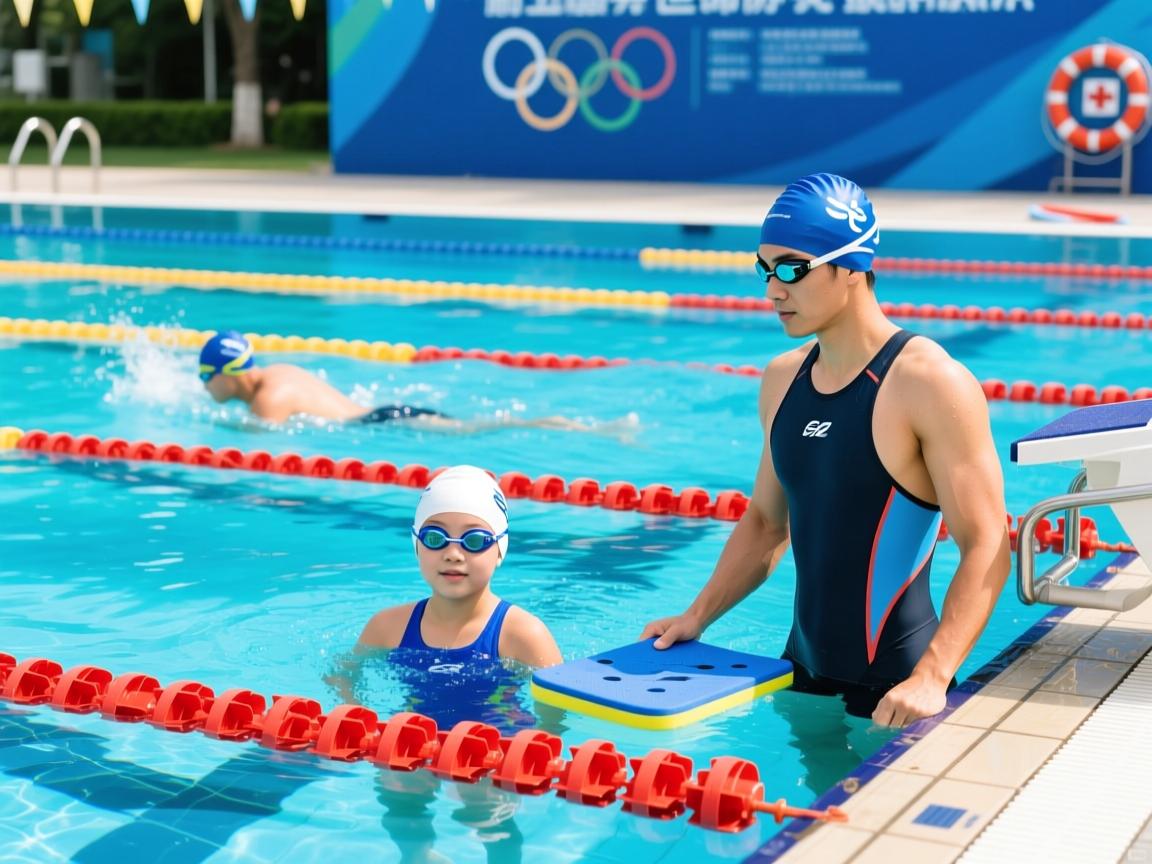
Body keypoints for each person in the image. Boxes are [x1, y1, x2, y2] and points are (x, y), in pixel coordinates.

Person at [640, 173, 1010, 728]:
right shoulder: (782, 379)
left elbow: (987, 544)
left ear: (852, 269)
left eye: (791, 268)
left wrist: (931, 678)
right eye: (764, 269)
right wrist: (697, 616)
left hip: (898, 687)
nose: (772, 290)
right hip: (802, 674)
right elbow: (767, 523)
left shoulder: (927, 382)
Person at [197, 330, 618, 434]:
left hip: (384, 424)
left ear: (225, 374)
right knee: (472, 425)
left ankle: (559, 423)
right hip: (384, 413)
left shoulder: (267, 400)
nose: (204, 388)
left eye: (205, 377)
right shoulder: (277, 373)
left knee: (478, 428)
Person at [357, 464, 563, 669]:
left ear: (500, 550)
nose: (453, 555)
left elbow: (559, 698)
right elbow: (342, 678)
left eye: (473, 540)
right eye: (435, 538)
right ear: (417, 545)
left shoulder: (523, 636)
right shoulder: (386, 628)